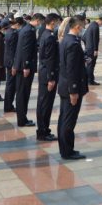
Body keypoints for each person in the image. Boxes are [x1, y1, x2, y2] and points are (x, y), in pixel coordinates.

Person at [57, 16, 88, 160]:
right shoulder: (73, 44)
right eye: (82, 26)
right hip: (71, 88)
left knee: (64, 118)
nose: (83, 29)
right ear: (77, 27)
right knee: (68, 120)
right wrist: (74, 91)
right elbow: (71, 69)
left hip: (64, 85)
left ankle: (65, 149)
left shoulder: (66, 40)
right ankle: (67, 151)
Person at [13, 13, 44, 127]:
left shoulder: (26, 29)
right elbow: (25, 50)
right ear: (37, 20)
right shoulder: (29, 31)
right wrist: (26, 66)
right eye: (40, 22)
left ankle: (23, 117)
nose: (40, 25)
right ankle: (22, 119)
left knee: (24, 93)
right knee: (22, 93)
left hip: (22, 66)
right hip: (25, 67)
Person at [36, 13, 61, 142]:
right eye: (56, 22)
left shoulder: (44, 34)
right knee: (45, 104)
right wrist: (51, 78)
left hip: (43, 73)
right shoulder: (50, 37)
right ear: (52, 22)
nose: (57, 24)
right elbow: (50, 59)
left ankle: (43, 129)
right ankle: (43, 131)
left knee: (42, 103)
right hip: (48, 75)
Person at [2, 16, 23, 113]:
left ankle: (8, 105)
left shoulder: (9, 32)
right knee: (11, 85)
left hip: (8, 61)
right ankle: (8, 105)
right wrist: (15, 64)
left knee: (10, 84)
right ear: (18, 24)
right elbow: (14, 51)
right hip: (12, 62)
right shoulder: (14, 34)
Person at [82, 16, 102, 86]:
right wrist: (95, 50)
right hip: (92, 50)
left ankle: (88, 79)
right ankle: (90, 80)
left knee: (88, 64)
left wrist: (87, 45)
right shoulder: (95, 27)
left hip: (88, 49)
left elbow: (83, 37)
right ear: (100, 21)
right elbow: (95, 39)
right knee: (91, 65)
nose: (101, 25)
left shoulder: (91, 25)